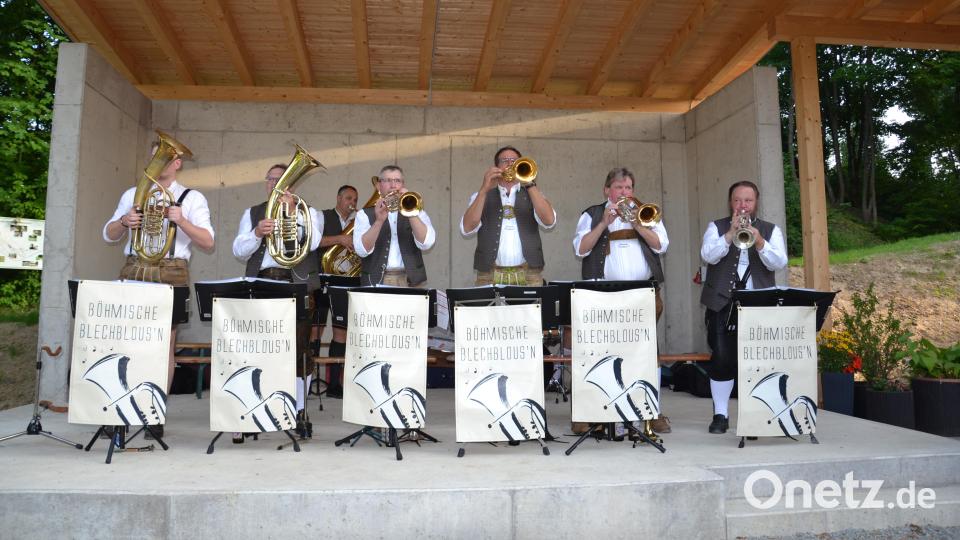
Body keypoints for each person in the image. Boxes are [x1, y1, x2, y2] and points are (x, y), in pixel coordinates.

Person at [103, 139, 215, 439]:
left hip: (171, 271)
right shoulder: (133, 193)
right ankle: (118, 412)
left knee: (165, 345)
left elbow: (208, 242)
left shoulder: (192, 198)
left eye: (164, 159)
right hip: (135, 267)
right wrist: (125, 221)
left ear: (177, 163)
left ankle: (153, 413)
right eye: (153, 159)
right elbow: (108, 234)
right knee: (124, 341)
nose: (157, 165)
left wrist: (183, 221)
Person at [572, 167, 671, 434]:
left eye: (628, 188)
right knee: (601, 353)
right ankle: (594, 411)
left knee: (647, 353)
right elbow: (580, 250)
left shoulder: (646, 212)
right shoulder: (591, 214)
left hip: (644, 294)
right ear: (607, 190)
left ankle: (651, 410)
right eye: (619, 188)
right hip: (603, 296)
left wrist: (637, 224)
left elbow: (662, 246)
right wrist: (604, 222)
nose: (624, 193)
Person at [232, 163, 323, 437]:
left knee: (300, 348)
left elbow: (315, 242)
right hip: (263, 282)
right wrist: (257, 233)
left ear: (292, 186)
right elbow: (238, 250)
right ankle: (256, 406)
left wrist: (294, 213)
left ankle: (297, 410)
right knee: (258, 347)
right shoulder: (253, 213)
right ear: (266, 182)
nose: (275, 184)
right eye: (272, 179)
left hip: (298, 284)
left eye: (282, 180)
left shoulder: (310, 212)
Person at [699, 180, 788, 434]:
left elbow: (778, 262)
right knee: (722, 359)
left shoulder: (771, 230)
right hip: (722, 302)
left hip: (757, 302)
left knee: (757, 362)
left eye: (747, 200)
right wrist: (729, 234)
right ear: (731, 202)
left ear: (756, 202)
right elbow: (708, 255)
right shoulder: (716, 227)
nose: (742, 206)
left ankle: (753, 416)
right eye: (737, 200)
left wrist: (759, 241)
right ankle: (720, 414)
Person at [461, 146, 556, 286]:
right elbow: (467, 228)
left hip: (529, 274)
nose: (510, 163)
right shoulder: (480, 196)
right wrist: (484, 189)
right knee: (488, 309)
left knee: (531, 309)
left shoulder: (534, 194)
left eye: (515, 160)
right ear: (496, 167)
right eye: (505, 160)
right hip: (489, 275)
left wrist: (530, 184)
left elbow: (549, 221)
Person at [353, 166, 436, 287]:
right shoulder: (364, 214)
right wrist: (379, 221)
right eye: (387, 180)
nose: (393, 185)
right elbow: (362, 251)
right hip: (376, 281)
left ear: (403, 184)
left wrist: (410, 211)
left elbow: (427, 243)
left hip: (410, 281)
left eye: (397, 181)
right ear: (379, 186)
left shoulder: (417, 212)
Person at [315, 184, 358, 398]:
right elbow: (313, 242)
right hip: (321, 279)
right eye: (349, 198)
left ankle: (334, 385)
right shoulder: (322, 217)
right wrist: (340, 239)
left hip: (345, 282)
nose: (352, 203)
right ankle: (306, 380)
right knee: (316, 330)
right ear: (339, 198)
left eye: (355, 200)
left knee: (341, 331)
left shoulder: (359, 222)